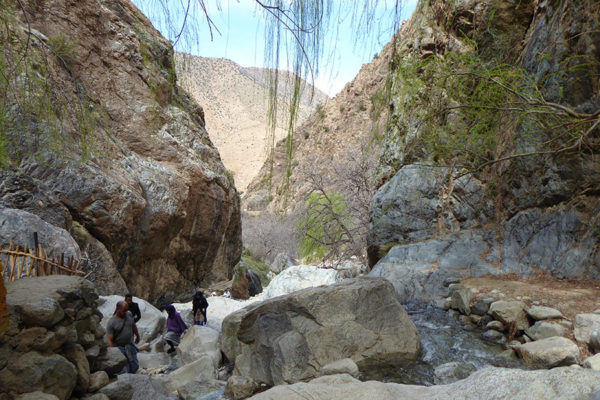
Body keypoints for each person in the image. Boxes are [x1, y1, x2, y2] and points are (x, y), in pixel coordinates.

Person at [106, 301, 140, 374]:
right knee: (124, 369)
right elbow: (109, 340)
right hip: (119, 348)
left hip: (130, 345)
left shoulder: (129, 314)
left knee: (135, 366)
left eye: (126, 310)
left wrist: (137, 335)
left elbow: (133, 325)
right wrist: (114, 354)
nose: (125, 312)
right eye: (123, 311)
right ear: (118, 309)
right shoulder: (111, 322)